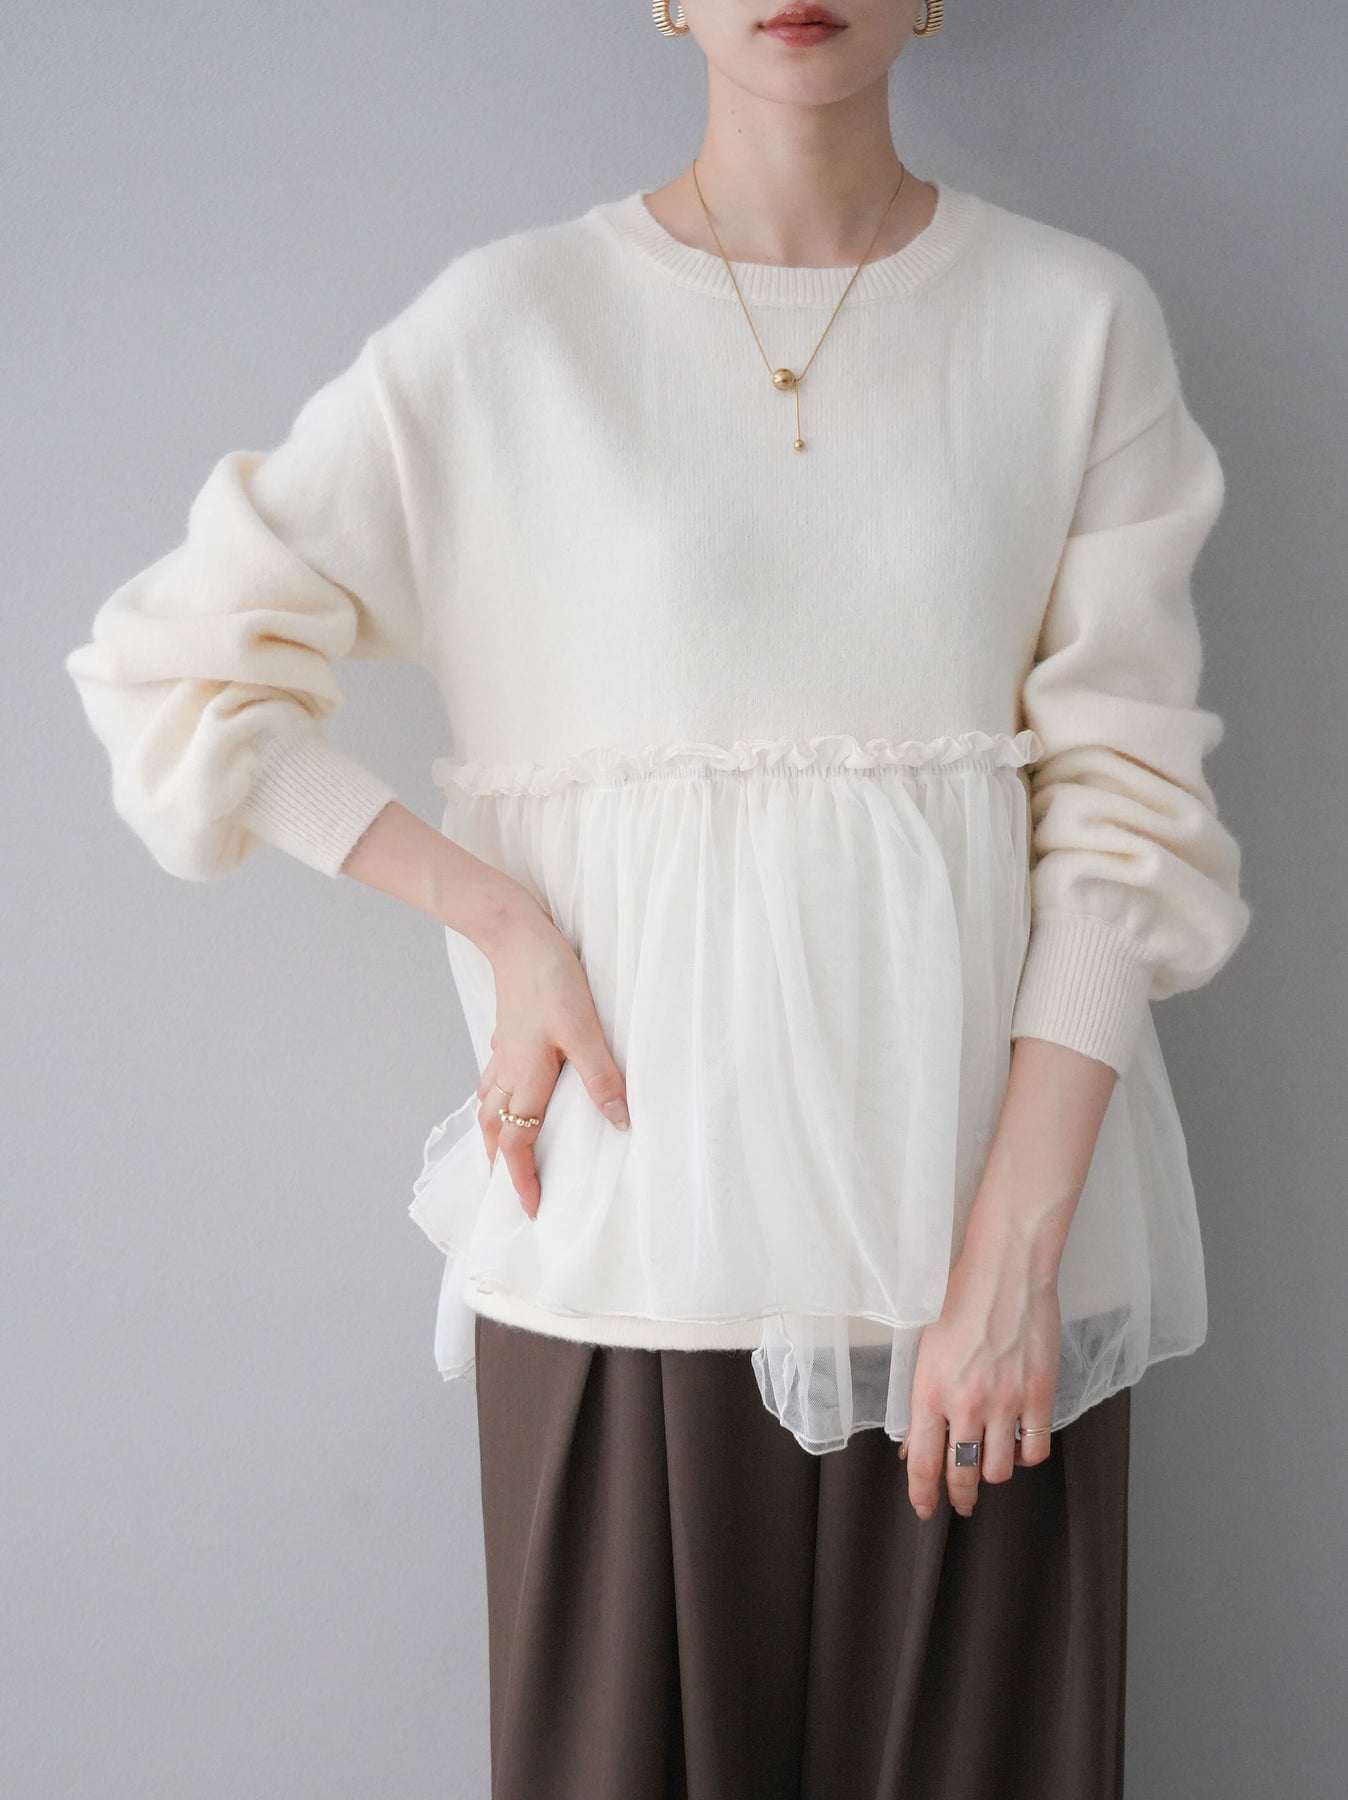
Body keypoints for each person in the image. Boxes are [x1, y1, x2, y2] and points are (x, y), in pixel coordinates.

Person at [64, 2, 1252, 1794]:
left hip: (988, 1302)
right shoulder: (511, 330)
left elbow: (1126, 810)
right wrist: (498, 918)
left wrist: (1015, 1260)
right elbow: (171, 668)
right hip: (627, 1267)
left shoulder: (1074, 325)